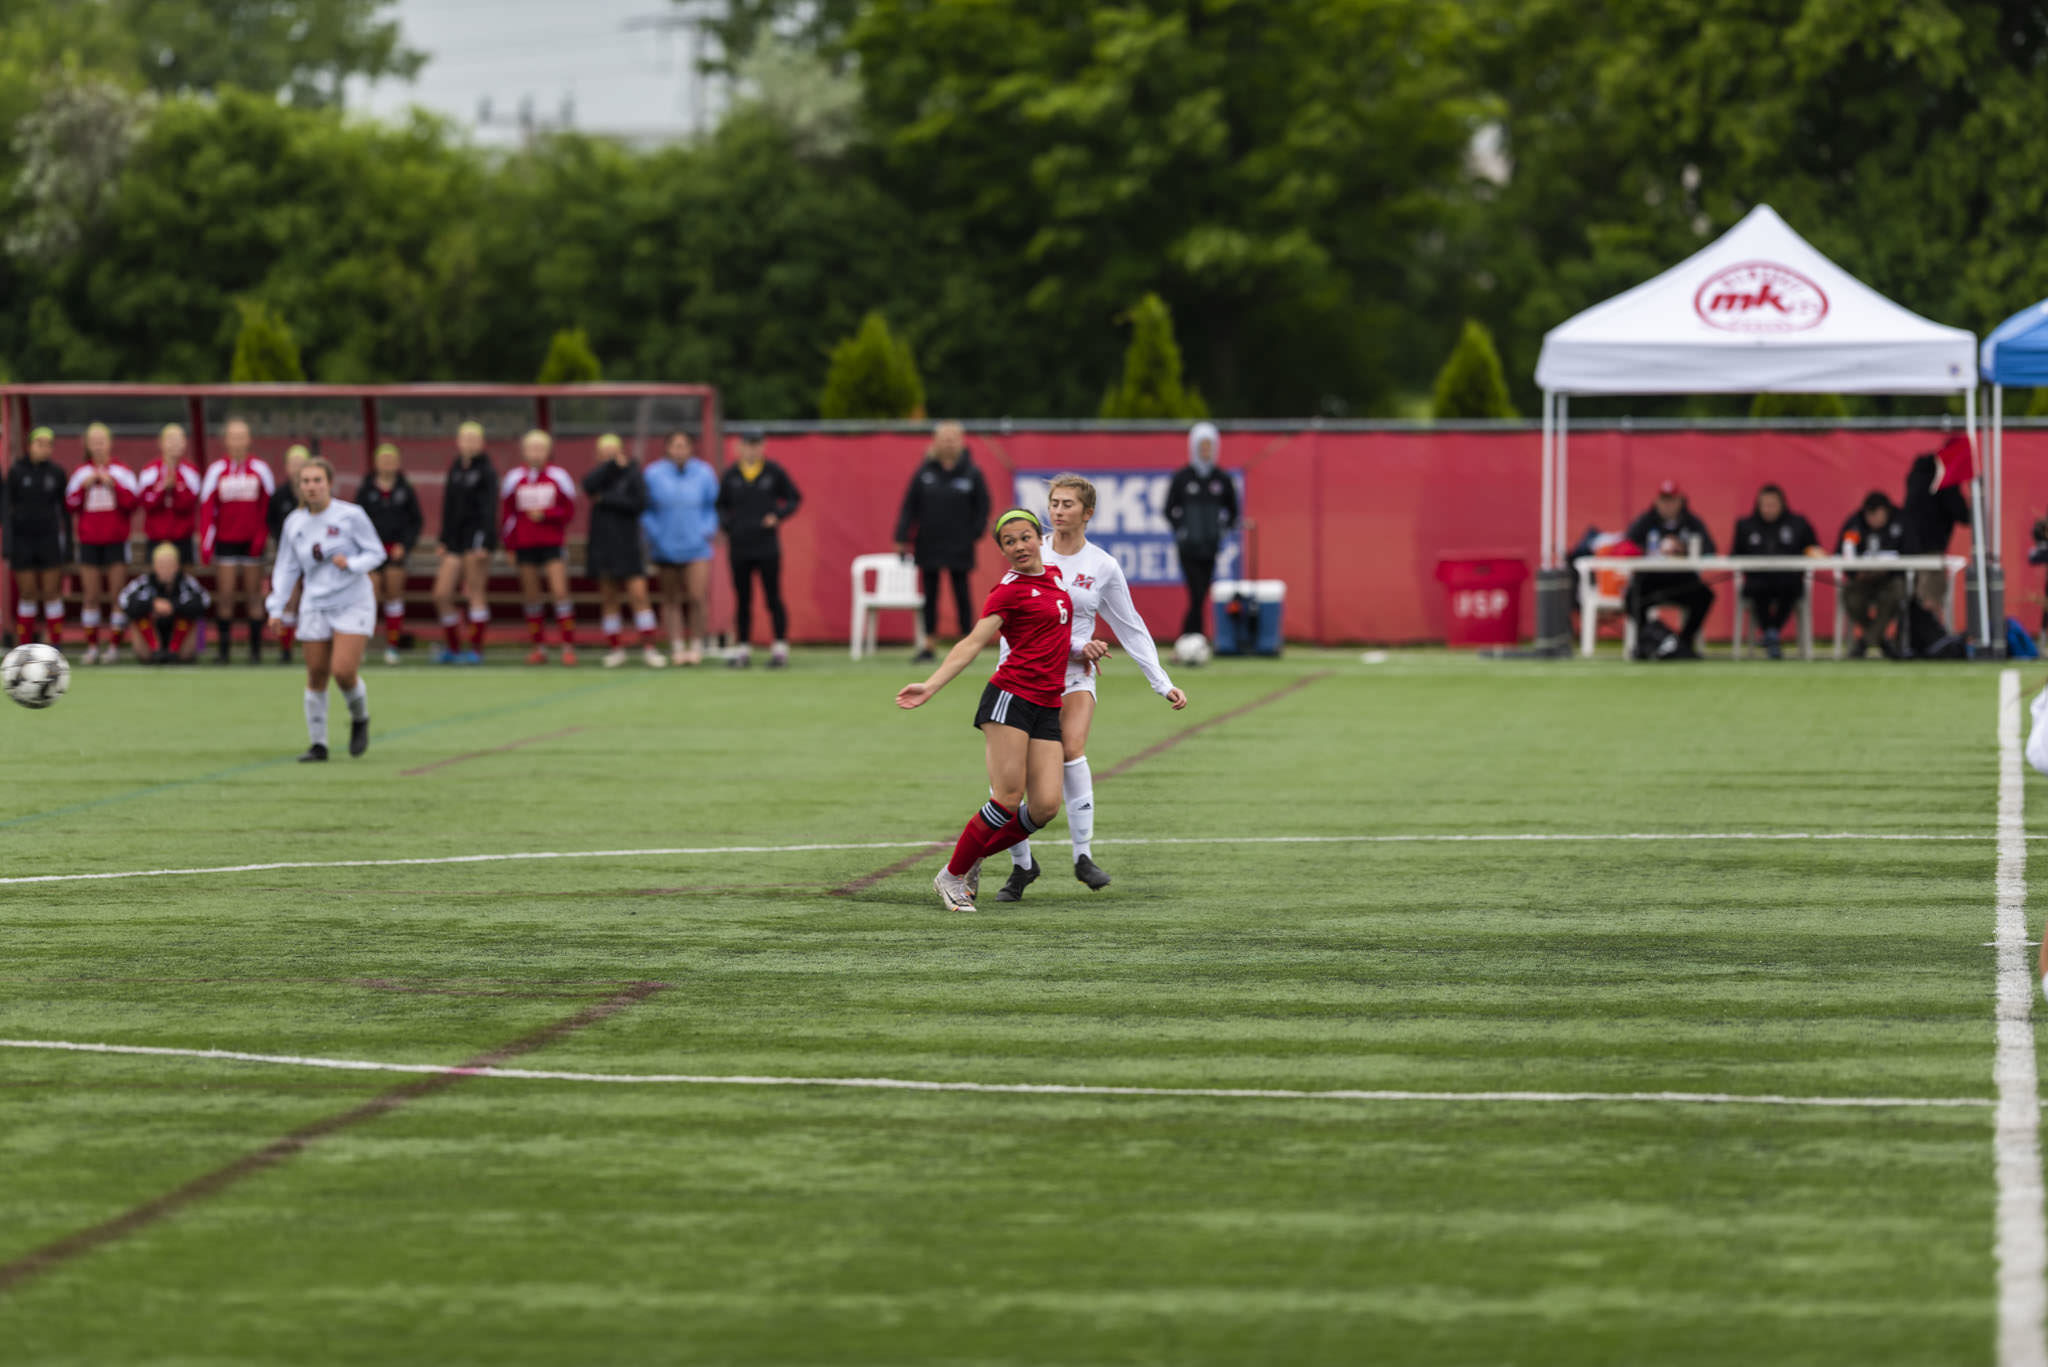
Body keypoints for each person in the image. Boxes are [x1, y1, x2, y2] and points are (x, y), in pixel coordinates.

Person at [997, 474, 1189, 903]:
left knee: (1071, 748)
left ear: (1088, 513)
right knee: (1016, 782)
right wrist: (1081, 644)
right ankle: (1021, 866)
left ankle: (1083, 856)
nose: (1058, 510)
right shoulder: (1031, 553)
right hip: (1024, 674)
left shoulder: (1102, 565)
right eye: (1054, 502)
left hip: (1074, 676)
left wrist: (1163, 683)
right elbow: (1017, 625)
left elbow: (1131, 627)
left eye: (1068, 503)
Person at [895, 509, 1073, 913]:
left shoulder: (1056, 579)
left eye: (1025, 537)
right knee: (1007, 799)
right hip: (1011, 697)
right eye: (1009, 542)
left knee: (1045, 806)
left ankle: (970, 859)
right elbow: (973, 643)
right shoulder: (1007, 590)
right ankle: (952, 876)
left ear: (1039, 537)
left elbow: (1053, 636)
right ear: (1003, 551)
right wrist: (931, 685)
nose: (1018, 546)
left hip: (1048, 703)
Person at [266, 457, 383, 761]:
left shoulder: (350, 515)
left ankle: (360, 718)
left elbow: (376, 552)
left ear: (330, 483)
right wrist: (276, 606)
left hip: (352, 599)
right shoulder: (294, 523)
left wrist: (353, 564)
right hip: (315, 603)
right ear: (299, 487)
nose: (312, 486)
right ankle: (319, 744)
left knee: (343, 672)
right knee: (316, 673)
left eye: (317, 480)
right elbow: (286, 568)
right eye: (305, 481)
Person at [894, 421, 990, 664]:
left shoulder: (972, 472)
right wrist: (901, 537)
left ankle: (967, 643)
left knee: (961, 593)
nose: (948, 443)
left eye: (952, 438)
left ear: (961, 441)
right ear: (935, 442)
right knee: (930, 595)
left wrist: (974, 533)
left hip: (960, 544)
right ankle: (928, 645)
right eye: (943, 438)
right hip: (929, 543)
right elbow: (909, 507)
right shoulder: (924, 472)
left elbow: (983, 507)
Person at [716, 426, 801, 668]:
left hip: (767, 546)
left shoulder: (773, 472)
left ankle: (780, 647)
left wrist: (778, 515)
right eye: (748, 444)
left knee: (772, 597)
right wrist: (730, 525)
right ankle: (742, 647)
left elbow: (794, 498)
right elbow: (720, 505)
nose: (752, 449)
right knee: (743, 599)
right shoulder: (731, 474)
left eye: (757, 444)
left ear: (763, 447)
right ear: (739, 447)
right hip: (740, 546)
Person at [582, 433, 665, 669]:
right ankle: (615, 649)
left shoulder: (632, 473)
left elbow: (639, 503)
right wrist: (607, 469)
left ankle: (649, 647)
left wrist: (606, 499)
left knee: (639, 595)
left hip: (628, 545)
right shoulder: (598, 476)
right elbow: (588, 487)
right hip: (602, 545)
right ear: (598, 456)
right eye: (604, 453)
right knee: (609, 598)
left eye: (613, 452)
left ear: (621, 452)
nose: (609, 456)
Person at [199, 418, 277, 664]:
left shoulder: (261, 469)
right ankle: (224, 652)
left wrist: (261, 537)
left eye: (242, 437)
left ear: (249, 439)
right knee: (226, 597)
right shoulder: (216, 470)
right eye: (233, 437)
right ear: (225, 440)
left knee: (254, 596)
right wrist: (206, 543)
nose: (237, 442)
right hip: (226, 541)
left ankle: (255, 652)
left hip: (252, 542)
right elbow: (207, 508)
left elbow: (268, 507)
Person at [500, 429, 579, 665]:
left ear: (548, 451)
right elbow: (507, 515)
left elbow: (569, 511)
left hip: (552, 544)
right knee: (532, 596)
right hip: (525, 545)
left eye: (540, 448)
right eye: (531, 448)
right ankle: (539, 647)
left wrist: (546, 514)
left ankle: (568, 646)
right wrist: (510, 547)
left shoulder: (559, 476)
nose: (535, 452)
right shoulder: (514, 478)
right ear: (524, 451)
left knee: (560, 592)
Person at [65, 422, 140, 665]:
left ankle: (114, 647)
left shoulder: (121, 471)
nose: (98, 445)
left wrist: (112, 484)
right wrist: (84, 488)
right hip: (89, 541)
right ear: (87, 444)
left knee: (116, 594)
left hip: (116, 541)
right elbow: (70, 505)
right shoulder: (80, 473)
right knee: (91, 595)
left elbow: (132, 503)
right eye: (93, 441)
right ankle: (92, 646)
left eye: (102, 440)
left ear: (110, 443)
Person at [642, 430, 719, 665]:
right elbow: (645, 509)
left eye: (683, 445)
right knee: (671, 599)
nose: (679, 450)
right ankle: (676, 646)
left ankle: (696, 645)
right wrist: (656, 534)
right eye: (675, 446)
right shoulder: (653, 474)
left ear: (691, 448)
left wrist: (706, 530)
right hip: (665, 547)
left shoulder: (704, 473)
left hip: (696, 546)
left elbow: (713, 506)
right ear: (667, 448)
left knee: (697, 596)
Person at [1623, 479, 1716, 659]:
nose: (1668, 505)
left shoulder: (1692, 522)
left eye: (1672, 500)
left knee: (1705, 596)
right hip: (1651, 580)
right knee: (1631, 598)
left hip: (1682, 581)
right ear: (1657, 501)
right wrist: (1651, 550)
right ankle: (1650, 639)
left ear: (1680, 501)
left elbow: (1710, 549)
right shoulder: (1646, 521)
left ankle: (1683, 642)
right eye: (1664, 500)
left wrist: (1684, 548)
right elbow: (1628, 545)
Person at [1166, 421, 1240, 640]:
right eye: (1202, 445)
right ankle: (1193, 636)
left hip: (1210, 546)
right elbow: (1169, 509)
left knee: (1201, 593)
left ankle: (1190, 638)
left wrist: (1221, 531)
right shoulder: (1183, 477)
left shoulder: (1222, 479)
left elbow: (1233, 511)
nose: (1205, 450)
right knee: (1196, 592)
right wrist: (1182, 530)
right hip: (1188, 547)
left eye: (1209, 446)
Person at [1729, 484, 1819, 660]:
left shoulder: (1798, 524)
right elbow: (1734, 555)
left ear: (1782, 504)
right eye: (1765, 505)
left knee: (1790, 587)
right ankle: (1772, 633)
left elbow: (1813, 549)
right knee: (1758, 588)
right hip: (1757, 580)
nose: (1768, 509)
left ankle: (1771, 632)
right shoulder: (1746, 525)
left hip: (1788, 579)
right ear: (1758, 505)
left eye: (1773, 505)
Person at [434, 421, 498, 664]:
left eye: (474, 439)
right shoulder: (455, 468)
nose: (469, 443)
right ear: (458, 442)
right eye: (465, 438)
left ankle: (476, 650)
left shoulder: (486, 470)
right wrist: (443, 538)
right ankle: (453, 647)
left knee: (475, 591)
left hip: (477, 540)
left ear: (482, 443)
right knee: (441, 594)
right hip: (455, 541)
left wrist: (484, 541)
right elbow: (448, 506)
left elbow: (490, 508)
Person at [355, 442, 423, 666]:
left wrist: (405, 544)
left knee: (394, 593)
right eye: (383, 460)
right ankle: (362, 645)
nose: (387, 464)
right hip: (371, 551)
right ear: (376, 463)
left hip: (395, 551)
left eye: (391, 460)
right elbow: (356, 522)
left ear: (397, 463)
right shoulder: (365, 490)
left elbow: (416, 521)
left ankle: (392, 646)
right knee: (369, 595)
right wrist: (366, 547)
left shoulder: (405, 489)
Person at [4, 426, 70, 648]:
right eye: (39, 443)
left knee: (52, 592)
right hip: (23, 541)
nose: (44, 448)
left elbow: (65, 511)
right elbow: (6, 509)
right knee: (28, 592)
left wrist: (67, 544)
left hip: (49, 539)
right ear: (29, 445)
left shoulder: (57, 473)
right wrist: (8, 543)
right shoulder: (16, 472)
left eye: (48, 444)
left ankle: (56, 646)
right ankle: (24, 647)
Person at [1837, 490, 1908, 658]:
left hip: (1890, 580)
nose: (1872, 519)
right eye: (1870, 515)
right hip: (1863, 581)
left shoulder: (1902, 521)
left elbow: (1911, 553)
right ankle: (1880, 640)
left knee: (1898, 592)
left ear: (1886, 511)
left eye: (1877, 514)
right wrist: (1856, 572)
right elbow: (1842, 552)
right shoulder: (1855, 523)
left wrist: (1889, 570)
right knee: (1850, 595)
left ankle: (1864, 643)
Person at [120, 541, 211, 663]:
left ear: (177, 566)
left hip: (179, 631)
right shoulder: (144, 582)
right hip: (152, 631)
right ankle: (155, 649)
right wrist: (153, 605)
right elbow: (123, 599)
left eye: (170, 564)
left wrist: (173, 606)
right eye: (161, 565)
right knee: (137, 616)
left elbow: (204, 601)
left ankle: (176, 649)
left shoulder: (187, 582)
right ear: (154, 566)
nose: (166, 569)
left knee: (193, 617)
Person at [265, 444, 312, 663]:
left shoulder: (316, 493)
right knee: (290, 599)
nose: (297, 468)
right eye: (293, 464)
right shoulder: (279, 495)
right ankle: (286, 650)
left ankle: (316, 647)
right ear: (286, 467)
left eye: (301, 464)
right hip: (290, 556)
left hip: (314, 557)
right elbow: (273, 524)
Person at [138, 423, 201, 566]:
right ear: (161, 443)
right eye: (170, 440)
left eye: (178, 440)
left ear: (185, 443)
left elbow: (189, 504)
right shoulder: (150, 470)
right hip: (156, 539)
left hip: (183, 539)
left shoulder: (191, 471)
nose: (174, 445)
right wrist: (162, 489)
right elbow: (146, 503)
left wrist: (176, 489)